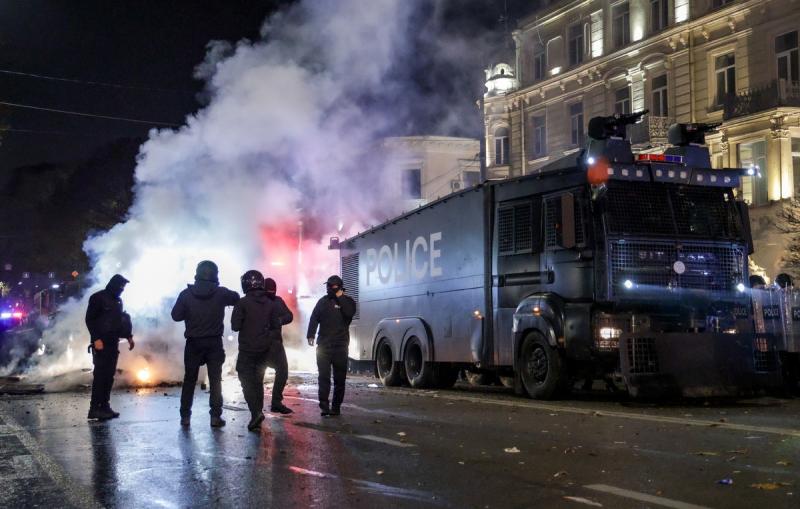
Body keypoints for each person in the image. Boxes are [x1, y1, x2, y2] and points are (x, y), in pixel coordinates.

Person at [171, 260, 239, 428]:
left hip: (193, 343)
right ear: (215, 275)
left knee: (189, 380)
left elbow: (176, 316)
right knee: (215, 380)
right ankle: (215, 417)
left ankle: (185, 416)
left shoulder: (186, 294)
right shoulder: (221, 293)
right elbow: (237, 298)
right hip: (214, 343)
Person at [230, 270, 282, 431]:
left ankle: (256, 412)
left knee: (246, 380)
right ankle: (257, 412)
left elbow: (235, 326)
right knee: (258, 381)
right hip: (264, 349)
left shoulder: (242, 303)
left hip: (247, 349)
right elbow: (276, 325)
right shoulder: (270, 302)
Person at [86, 274, 134, 420]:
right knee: (100, 376)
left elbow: (120, 321)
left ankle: (105, 406)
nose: (122, 290)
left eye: (123, 287)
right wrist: (96, 339)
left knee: (108, 377)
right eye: (120, 286)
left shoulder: (118, 301)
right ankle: (94, 408)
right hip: (101, 343)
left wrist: (128, 336)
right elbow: (90, 320)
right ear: (114, 284)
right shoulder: (98, 298)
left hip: (113, 342)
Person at [306, 275, 356, 416]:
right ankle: (324, 406)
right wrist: (311, 334)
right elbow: (314, 317)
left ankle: (336, 407)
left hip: (340, 346)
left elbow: (349, 313)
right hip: (323, 346)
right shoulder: (322, 302)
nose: (329, 289)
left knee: (339, 379)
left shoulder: (348, 302)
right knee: (324, 377)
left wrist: (340, 297)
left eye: (331, 287)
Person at [263, 277, 293, 415]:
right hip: (262, 343)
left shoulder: (277, 301)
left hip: (273, 343)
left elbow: (289, 316)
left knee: (282, 371)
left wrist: (279, 321)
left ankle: (275, 402)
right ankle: (261, 407)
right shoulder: (259, 301)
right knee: (259, 374)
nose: (271, 293)